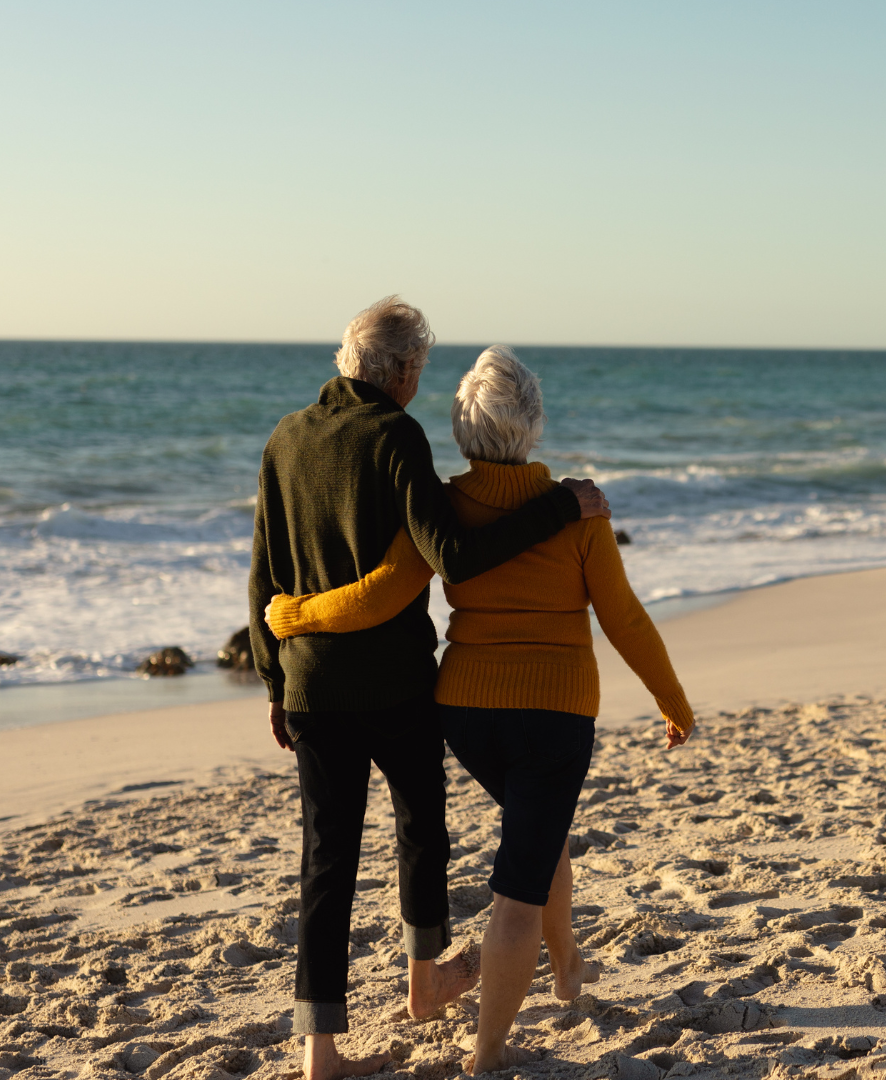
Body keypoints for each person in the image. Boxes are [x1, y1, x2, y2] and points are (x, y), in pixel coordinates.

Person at [268, 345, 695, 1073]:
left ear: (464, 428)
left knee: (541, 830)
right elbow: (624, 618)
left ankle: (567, 969)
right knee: (518, 888)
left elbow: (382, 591)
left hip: (463, 712)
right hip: (554, 716)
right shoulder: (580, 510)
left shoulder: (441, 505)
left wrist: (295, 616)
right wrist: (673, 701)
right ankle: (488, 1053)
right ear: (531, 424)